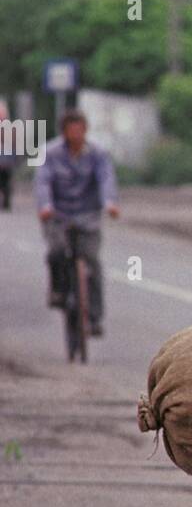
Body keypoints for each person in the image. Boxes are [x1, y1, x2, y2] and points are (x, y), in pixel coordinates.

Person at [34, 108, 120, 337]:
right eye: (71, 130)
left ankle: (94, 317)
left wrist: (110, 203)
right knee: (56, 252)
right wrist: (45, 206)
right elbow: (42, 182)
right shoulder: (50, 153)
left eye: (80, 130)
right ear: (64, 132)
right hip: (58, 215)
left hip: (87, 215)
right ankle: (58, 291)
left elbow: (106, 179)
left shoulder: (98, 154)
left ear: (85, 131)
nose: (76, 135)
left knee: (92, 263)